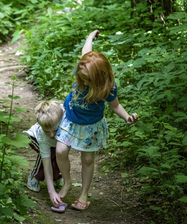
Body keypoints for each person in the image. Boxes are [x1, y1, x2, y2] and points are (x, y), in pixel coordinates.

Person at [55, 30, 138, 211]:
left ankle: (84, 193)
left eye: (87, 80)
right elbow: (87, 50)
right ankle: (67, 182)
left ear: (99, 77)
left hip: (90, 127)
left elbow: (115, 106)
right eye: (81, 78)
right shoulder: (85, 67)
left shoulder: (108, 88)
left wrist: (127, 117)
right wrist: (90, 37)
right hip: (70, 120)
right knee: (61, 150)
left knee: (87, 160)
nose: (83, 81)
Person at [24, 100, 67, 212]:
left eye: (55, 130)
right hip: (34, 138)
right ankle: (34, 176)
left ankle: (57, 177)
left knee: (58, 154)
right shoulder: (42, 136)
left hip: (53, 144)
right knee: (47, 157)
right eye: (47, 131)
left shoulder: (64, 114)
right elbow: (46, 163)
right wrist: (51, 192)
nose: (52, 135)